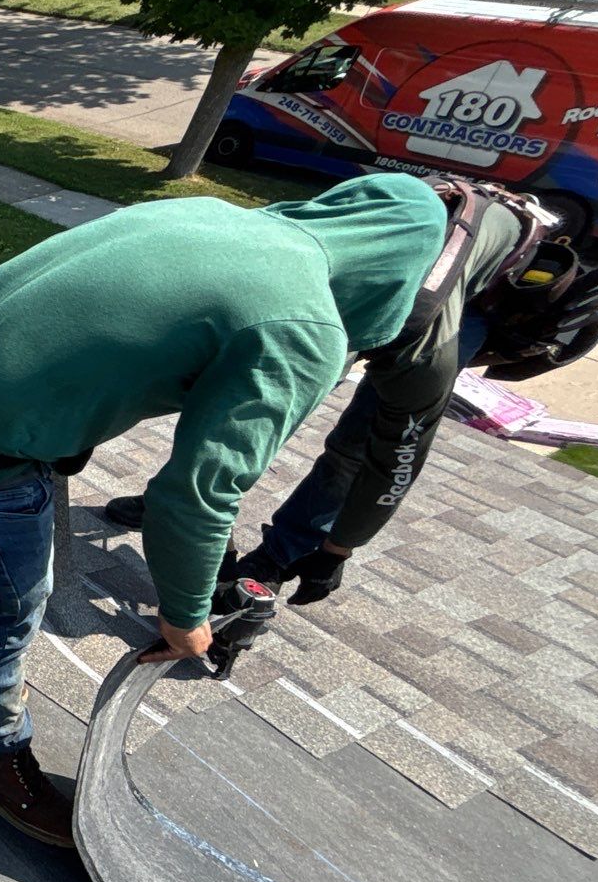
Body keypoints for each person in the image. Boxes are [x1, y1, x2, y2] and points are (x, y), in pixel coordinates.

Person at [0, 174, 449, 849]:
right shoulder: (305, 325)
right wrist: (186, 616)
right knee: (6, 606)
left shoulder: (214, 213)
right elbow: (195, 493)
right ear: (395, 275)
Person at [100, 179, 554, 606]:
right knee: (260, 393)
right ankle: (182, 512)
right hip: (389, 249)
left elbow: (395, 460)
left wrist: (338, 549)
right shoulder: (275, 262)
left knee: (356, 444)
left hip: (464, 289)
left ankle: (282, 555)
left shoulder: (424, 349)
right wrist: (188, 506)